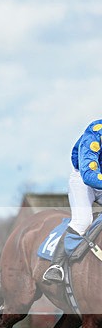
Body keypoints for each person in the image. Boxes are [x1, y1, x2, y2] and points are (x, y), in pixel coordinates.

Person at [43, 119, 102, 283]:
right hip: (84, 180)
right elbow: (89, 175)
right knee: (83, 221)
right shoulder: (96, 131)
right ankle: (56, 265)